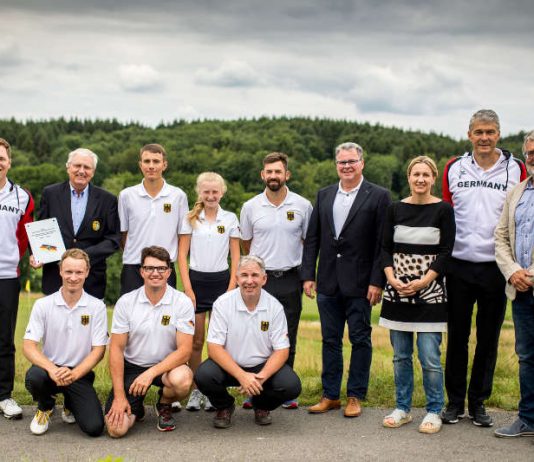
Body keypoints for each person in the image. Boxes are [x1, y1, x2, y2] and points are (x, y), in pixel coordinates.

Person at [442, 109, 527, 427]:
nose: (484, 138)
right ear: (469, 135)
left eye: (490, 132)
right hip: (459, 265)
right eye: (479, 132)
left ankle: (478, 403)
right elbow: (447, 215)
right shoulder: (453, 168)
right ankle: (454, 403)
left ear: (499, 135)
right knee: (458, 338)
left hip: (496, 267)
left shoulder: (516, 169)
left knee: (488, 339)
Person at [302, 141, 391, 417]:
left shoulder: (378, 196)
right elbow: (313, 238)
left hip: (362, 283)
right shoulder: (324, 194)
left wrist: (377, 281)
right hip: (328, 280)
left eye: (352, 161)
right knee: (330, 340)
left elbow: (382, 243)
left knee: (360, 338)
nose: (347, 166)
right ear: (336, 165)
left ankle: (355, 395)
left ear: (362, 163)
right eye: (342, 162)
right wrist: (308, 275)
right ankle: (330, 395)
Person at [379, 156, 455, 434]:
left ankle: (434, 410)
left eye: (426, 175)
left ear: (433, 178)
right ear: (409, 178)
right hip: (397, 292)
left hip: (431, 294)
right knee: (400, 356)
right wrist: (390, 277)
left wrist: (424, 281)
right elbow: (385, 247)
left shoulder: (443, 210)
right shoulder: (394, 209)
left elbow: (447, 251)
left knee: (429, 357)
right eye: (415, 174)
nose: (420, 179)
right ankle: (402, 409)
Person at [240, 152, 312, 409]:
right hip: (260, 280)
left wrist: (307, 278)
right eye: (269, 172)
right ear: (263, 175)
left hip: (291, 277)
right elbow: (246, 244)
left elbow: (308, 243)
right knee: (256, 336)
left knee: (287, 334)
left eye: (278, 172)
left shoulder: (302, 205)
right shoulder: (250, 207)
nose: (273, 176)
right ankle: (254, 389)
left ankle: (285, 390)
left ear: (286, 175)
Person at [195, 255, 301, 428]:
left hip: (262, 367)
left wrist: (260, 378)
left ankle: (261, 405)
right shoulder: (222, 304)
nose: (249, 281)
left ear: (264, 279)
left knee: (291, 386)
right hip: (229, 365)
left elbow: (281, 351)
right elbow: (214, 348)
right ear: (236, 279)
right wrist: (241, 375)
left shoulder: (275, 307)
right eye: (244, 275)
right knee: (203, 375)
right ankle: (224, 405)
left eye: (255, 275)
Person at [105, 246, 194, 437]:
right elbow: (116, 350)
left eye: (161, 268)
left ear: (169, 272)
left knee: (183, 380)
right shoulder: (126, 302)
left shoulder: (182, 302)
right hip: (133, 367)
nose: (155, 273)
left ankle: (164, 404)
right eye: (150, 268)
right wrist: (120, 397)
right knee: (116, 430)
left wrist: (150, 373)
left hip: (166, 368)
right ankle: (136, 408)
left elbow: (185, 351)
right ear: (142, 271)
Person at [23, 249, 108, 436]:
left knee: (94, 428)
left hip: (79, 373)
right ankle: (45, 406)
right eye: (68, 271)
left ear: (87, 272)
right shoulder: (43, 305)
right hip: (49, 371)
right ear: (60, 271)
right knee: (34, 377)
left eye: (79, 272)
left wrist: (75, 373)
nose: (73, 277)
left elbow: (99, 350)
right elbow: (28, 346)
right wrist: (53, 370)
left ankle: (70, 405)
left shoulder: (97, 306)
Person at [179, 172, 240, 412]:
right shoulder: (190, 219)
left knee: (220, 342)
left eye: (215, 192)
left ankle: (215, 391)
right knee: (196, 341)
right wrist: (188, 288)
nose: (211, 196)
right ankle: (195, 390)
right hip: (196, 282)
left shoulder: (230, 218)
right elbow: (182, 256)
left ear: (222, 192)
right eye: (207, 192)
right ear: (200, 193)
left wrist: (232, 287)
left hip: (222, 282)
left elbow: (236, 255)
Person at [30, 148, 120, 300]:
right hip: (55, 278)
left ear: (93, 171)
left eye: (87, 167)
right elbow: (40, 229)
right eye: (77, 166)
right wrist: (37, 253)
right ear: (68, 167)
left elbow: (113, 239)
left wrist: (81, 258)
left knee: (87, 323)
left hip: (92, 280)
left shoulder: (107, 200)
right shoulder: (50, 194)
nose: (81, 171)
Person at [494, 131, 534, 438]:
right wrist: (512, 272)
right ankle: (528, 419)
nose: (532, 157)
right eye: (530, 152)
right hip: (520, 290)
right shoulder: (517, 191)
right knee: (527, 356)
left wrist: (529, 273)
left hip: (528, 280)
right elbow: (501, 237)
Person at [118, 143, 188, 296]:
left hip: (164, 268)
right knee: (132, 316)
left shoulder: (178, 196)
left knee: (165, 316)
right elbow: (123, 234)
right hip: (133, 266)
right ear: (140, 165)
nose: (151, 166)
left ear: (164, 165)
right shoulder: (126, 195)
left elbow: (182, 235)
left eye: (156, 161)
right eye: (147, 161)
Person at [0, 138, 34, 420]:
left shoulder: (22, 196)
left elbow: (27, 236)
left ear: (9, 162)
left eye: (2, 158)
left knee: (4, 339)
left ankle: (3, 396)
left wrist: (33, 256)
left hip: (6, 276)